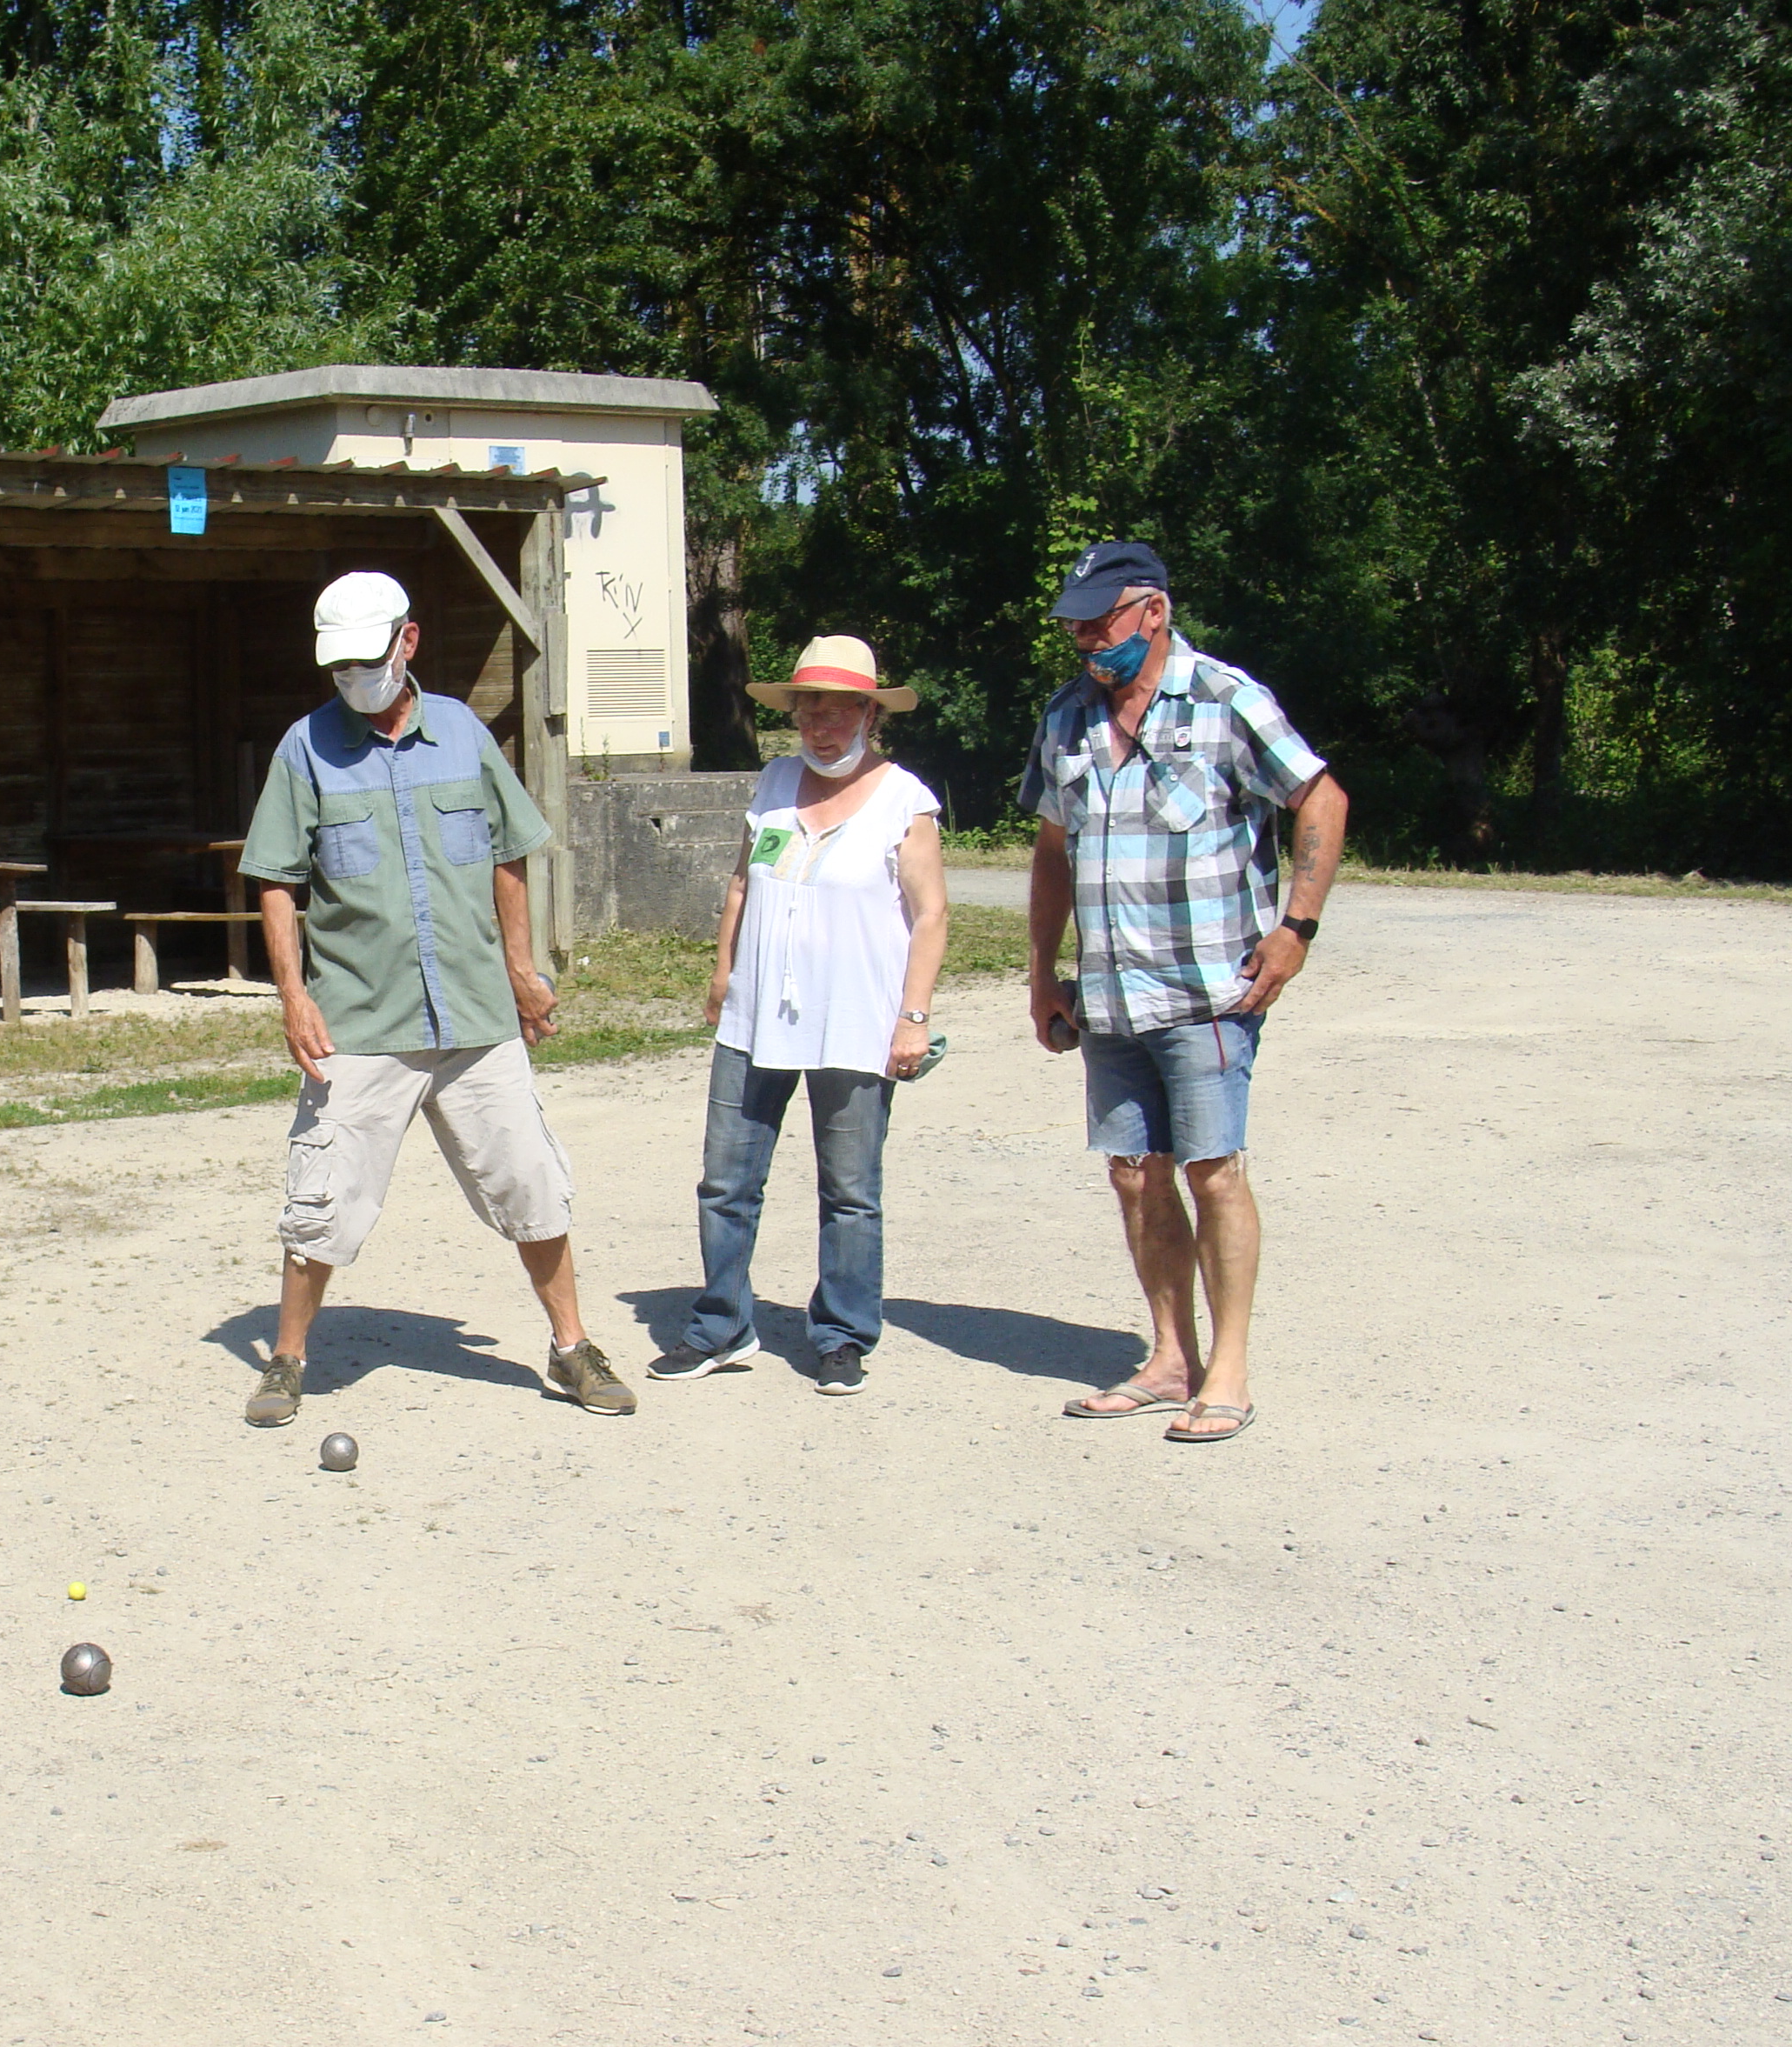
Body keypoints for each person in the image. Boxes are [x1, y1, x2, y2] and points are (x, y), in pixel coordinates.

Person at [235, 570, 636, 1426]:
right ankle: (286, 1358)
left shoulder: (462, 733)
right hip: (361, 1022)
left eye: (367, 661)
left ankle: (572, 1348)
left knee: (533, 1183)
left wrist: (524, 970)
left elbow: (507, 855)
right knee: (323, 1200)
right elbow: (274, 878)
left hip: (475, 1016)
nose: (353, 679)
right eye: (338, 668)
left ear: (407, 642)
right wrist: (292, 996)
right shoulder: (304, 748)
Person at [1022, 541, 1348, 1443]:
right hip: (1112, 995)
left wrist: (1296, 927)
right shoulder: (1067, 718)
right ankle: (1171, 1358)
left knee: (1213, 1171)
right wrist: (1046, 971)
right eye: (1077, 625)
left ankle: (1229, 1369)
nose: (1087, 638)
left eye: (1102, 619)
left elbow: (1321, 799)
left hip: (1209, 992)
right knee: (1134, 1176)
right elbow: (1053, 850)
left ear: (1153, 611)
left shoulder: (1225, 699)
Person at [647, 637, 950, 1396]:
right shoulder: (775, 783)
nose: (823, 724)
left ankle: (843, 1334)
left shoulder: (903, 800)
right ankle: (721, 1325)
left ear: (870, 715)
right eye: (810, 708)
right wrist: (723, 972)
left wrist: (913, 1018)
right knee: (725, 1180)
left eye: (841, 709)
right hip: (755, 1019)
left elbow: (932, 914)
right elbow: (742, 886)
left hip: (855, 1020)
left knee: (849, 1190)